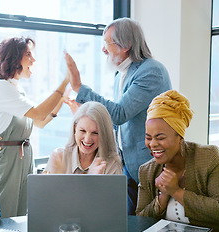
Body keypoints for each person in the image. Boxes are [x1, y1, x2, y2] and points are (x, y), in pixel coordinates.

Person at [64, 17, 171, 214]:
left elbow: (120, 113)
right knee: (127, 222)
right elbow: (116, 122)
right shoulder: (121, 76)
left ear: (126, 45)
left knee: (149, 222)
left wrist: (79, 87)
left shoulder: (151, 71)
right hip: (127, 164)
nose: (103, 50)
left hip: (149, 163)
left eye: (107, 43)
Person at [136, 90, 219, 232]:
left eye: (160, 138)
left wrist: (176, 191)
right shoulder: (147, 171)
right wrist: (163, 197)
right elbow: (140, 220)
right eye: (148, 137)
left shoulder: (212, 158)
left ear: (180, 137)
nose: (153, 144)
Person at [0, 37, 69, 218]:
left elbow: (40, 122)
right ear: (13, 58)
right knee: (1, 219)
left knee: (20, 219)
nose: (33, 60)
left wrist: (62, 99)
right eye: (28, 54)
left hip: (21, 159)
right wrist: (65, 82)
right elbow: (38, 114)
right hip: (4, 161)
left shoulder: (15, 89)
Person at [43, 101, 123, 174]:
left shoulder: (112, 164)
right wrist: (90, 179)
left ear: (104, 134)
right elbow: (46, 189)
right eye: (83, 131)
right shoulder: (59, 157)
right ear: (75, 128)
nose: (87, 139)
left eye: (95, 133)